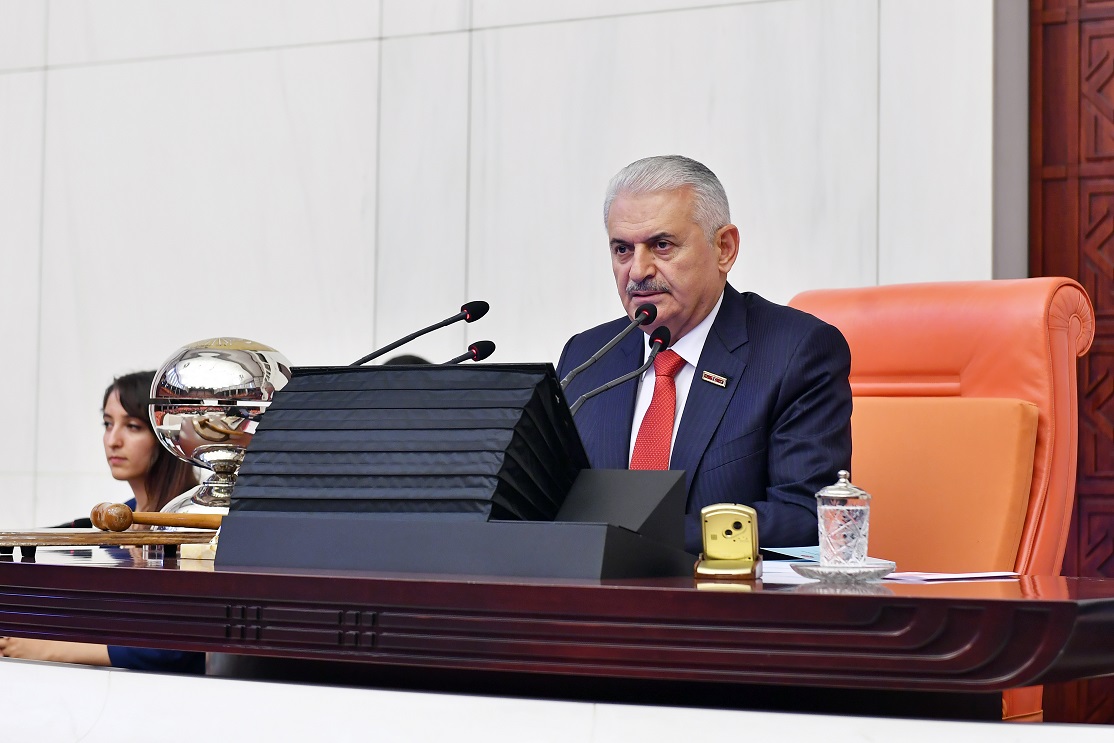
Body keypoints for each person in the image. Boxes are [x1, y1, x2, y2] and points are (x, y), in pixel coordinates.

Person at [556, 155, 852, 554]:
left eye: (661, 245)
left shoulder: (794, 354)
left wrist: (642, 538)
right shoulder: (586, 359)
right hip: (589, 590)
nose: (638, 271)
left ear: (724, 249)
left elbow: (806, 516)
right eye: (622, 249)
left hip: (718, 590)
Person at [0, 371, 204, 673]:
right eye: (108, 424)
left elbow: (175, 649)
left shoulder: (195, 525)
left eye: (132, 426)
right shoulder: (112, 522)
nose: (113, 440)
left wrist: (49, 649)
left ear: (170, 436)